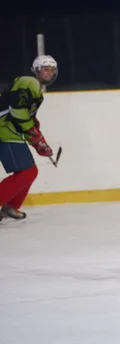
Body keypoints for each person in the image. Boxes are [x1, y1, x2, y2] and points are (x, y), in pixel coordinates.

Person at [0, 55, 57, 222]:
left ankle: (11, 207)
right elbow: (17, 111)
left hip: (9, 129)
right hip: (4, 128)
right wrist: (34, 133)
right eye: (45, 69)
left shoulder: (36, 90)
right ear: (36, 70)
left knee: (31, 171)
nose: (49, 73)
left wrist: (38, 143)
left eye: (52, 70)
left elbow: (25, 120)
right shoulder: (29, 82)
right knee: (26, 172)